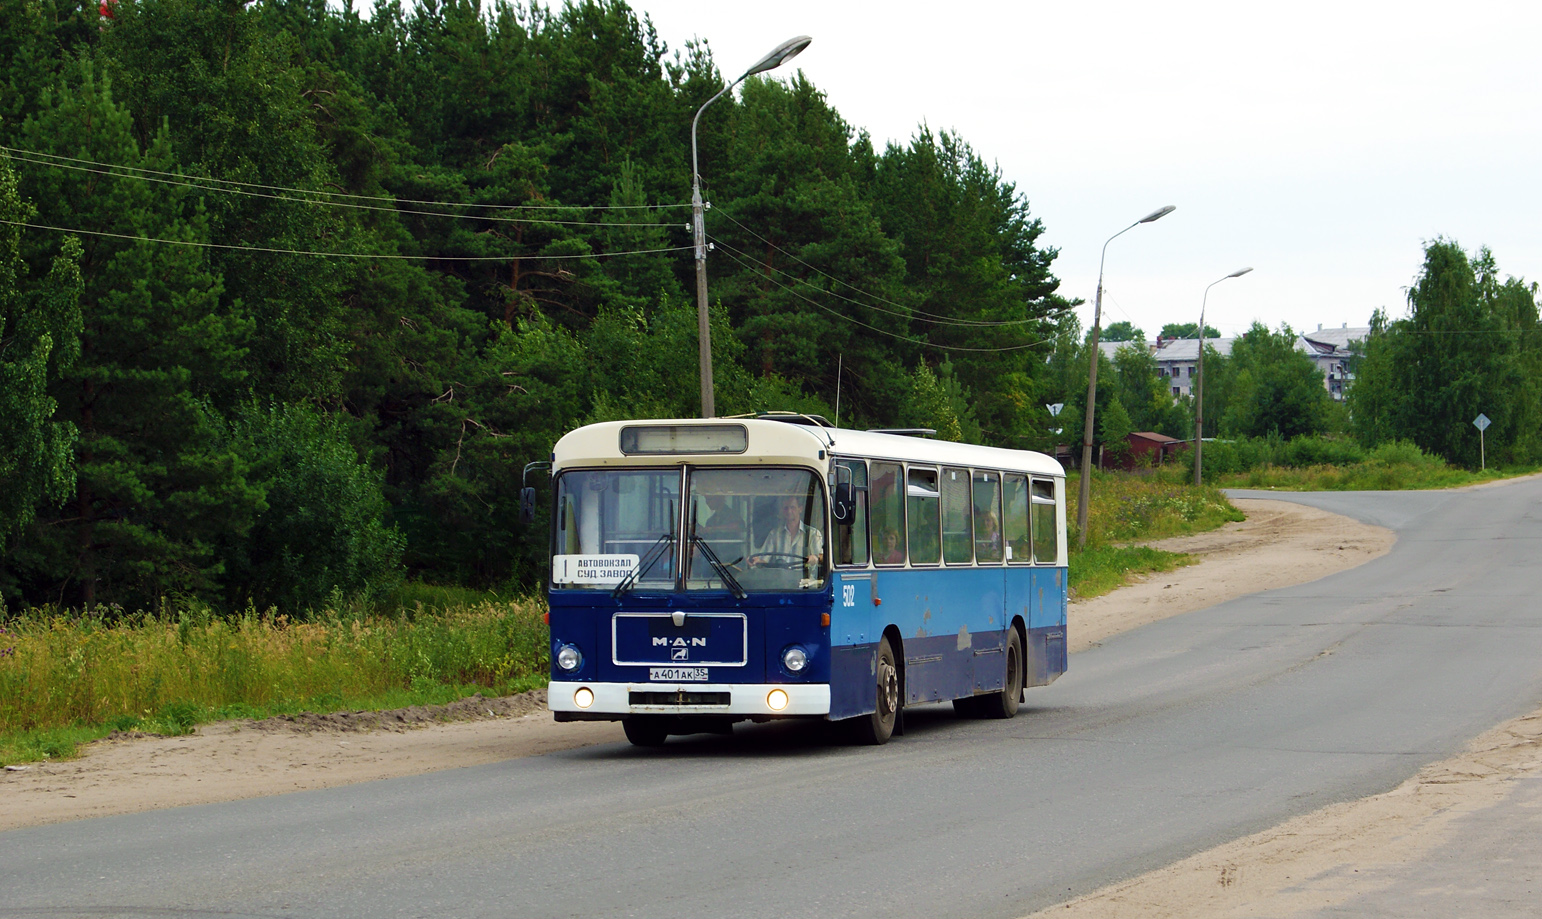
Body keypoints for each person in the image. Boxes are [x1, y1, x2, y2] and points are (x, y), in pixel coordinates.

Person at [751, 495, 824, 569]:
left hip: (805, 579)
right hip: (780, 578)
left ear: (800, 509)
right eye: (786, 508)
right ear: (782, 511)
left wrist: (815, 558)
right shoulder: (775, 534)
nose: (789, 511)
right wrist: (756, 560)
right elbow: (764, 559)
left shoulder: (813, 534)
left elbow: (822, 557)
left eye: (792, 507)